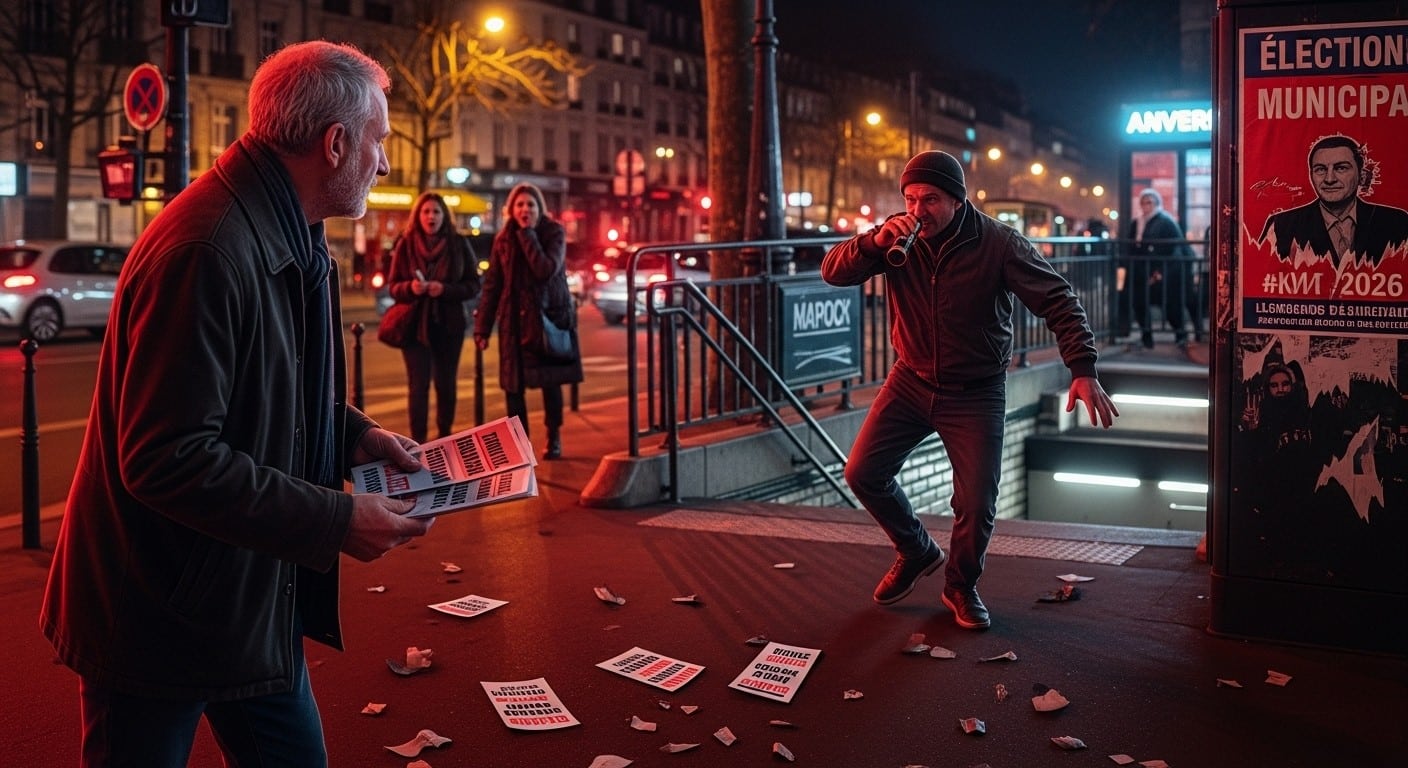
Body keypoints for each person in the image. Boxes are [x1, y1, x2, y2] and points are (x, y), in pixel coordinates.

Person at [40, 41, 434, 767]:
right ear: (336, 142)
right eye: (378, 142)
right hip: (159, 612)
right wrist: (337, 517)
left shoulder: (281, 230)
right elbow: (166, 458)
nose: (383, 164)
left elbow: (262, 389)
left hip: (241, 592)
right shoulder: (211, 248)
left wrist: (355, 436)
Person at [820, 150, 1118, 630]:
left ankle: (960, 586)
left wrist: (1082, 369)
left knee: (976, 502)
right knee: (862, 472)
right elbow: (833, 271)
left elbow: (1059, 299)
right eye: (911, 198)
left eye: (931, 199)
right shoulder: (898, 237)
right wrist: (873, 243)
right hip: (910, 379)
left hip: (976, 391)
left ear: (958, 200)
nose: (918, 210)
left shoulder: (999, 243)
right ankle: (916, 550)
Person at [474, 182, 583, 460]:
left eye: (531, 205)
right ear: (512, 209)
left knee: (550, 383)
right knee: (514, 388)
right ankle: (521, 446)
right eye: (520, 205)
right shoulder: (503, 239)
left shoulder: (553, 232)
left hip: (545, 321)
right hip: (514, 323)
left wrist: (527, 235)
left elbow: (545, 269)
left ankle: (554, 436)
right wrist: (483, 327)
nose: (525, 209)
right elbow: (493, 285)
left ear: (539, 208)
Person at [385, 191, 481, 442]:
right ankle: (418, 443)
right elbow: (394, 285)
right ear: (418, 216)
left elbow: (473, 284)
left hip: (448, 325)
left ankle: (444, 438)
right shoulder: (406, 243)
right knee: (418, 387)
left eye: (436, 212)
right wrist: (411, 288)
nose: (431, 216)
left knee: (446, 385)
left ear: (444, 216)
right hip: (415, 326)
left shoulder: (458, 243)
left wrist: (445, 289)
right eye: (426, 211)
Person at [1259, 133, 1408, 267]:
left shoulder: (1397, 222)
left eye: (1341, 168)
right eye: (1320, 169)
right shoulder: (1280, 226)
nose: (1329, 179)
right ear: (1311, 175)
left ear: (1362, 176)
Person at [1124, 188, 1195, 350]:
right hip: (1142, 272)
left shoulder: (1166, 221)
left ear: (1156, 203)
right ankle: (1146, 336)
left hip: (1163, 272)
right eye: (1143, 202)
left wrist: (1160, 272)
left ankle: (1180, 335)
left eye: (1149, 202)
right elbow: (1131, 245)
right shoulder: (1137, 222)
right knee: (1140, 304)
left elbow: (1174, 248)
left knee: (1170, 305)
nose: (1145, 205)